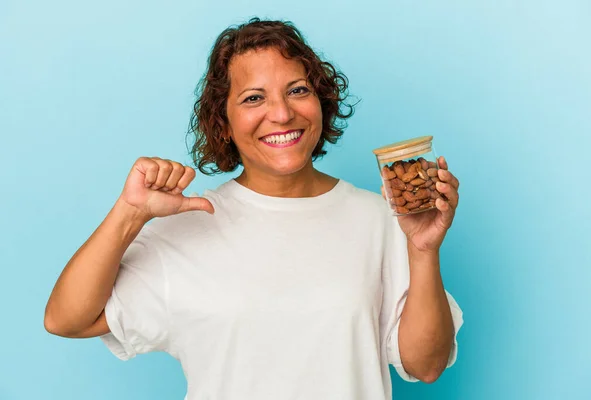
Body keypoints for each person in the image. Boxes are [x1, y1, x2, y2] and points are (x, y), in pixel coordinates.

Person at [44, 18, 463, 400]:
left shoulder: (381, 219)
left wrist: (424, 250)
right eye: (253, 98)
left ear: (320, 101)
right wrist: (129, 214)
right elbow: (67, 320)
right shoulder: (188, 227)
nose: (281, 114)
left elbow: (425, 366)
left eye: (297, 90)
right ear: (223, 122)